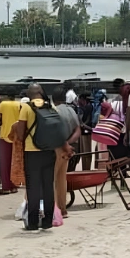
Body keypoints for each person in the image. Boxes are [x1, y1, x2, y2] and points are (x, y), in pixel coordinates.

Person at [14, 83, 70, 230]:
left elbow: (20, 135)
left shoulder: (26, 107)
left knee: (33, 188)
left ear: (29, 94)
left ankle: (32, 223)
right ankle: (47, 222)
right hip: (48, 151)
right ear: (41, 92)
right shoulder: (50, 106)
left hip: (31, 152)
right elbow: (58, 131)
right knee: (48, 186)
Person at [52, 87, 82, 218]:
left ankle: (55, 209)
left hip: (56, 148)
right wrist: (68, 144)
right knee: (61, 179)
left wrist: (63, 144)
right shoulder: (71, 110)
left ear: (53, 99)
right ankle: (63, 209)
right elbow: (77, 131)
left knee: (52, 180)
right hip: (68, 149)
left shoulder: (54, 111)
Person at [0, 95, 21, 195]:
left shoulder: (3, 104)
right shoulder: (19, 104)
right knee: (14, 163)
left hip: (5, 135)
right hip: (16, 136)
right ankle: (14, 186)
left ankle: (6, 187)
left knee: (5, 164)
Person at [77, 94, 94, 170]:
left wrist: (83, 125)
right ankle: (85, 169)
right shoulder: (87, 107)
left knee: (86, 153)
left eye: (79, 99)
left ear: (83, 99)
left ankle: (86, 169)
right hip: (84, 131)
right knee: (84, 153)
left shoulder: (88, 107)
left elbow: (88, 119)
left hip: (86, 131)